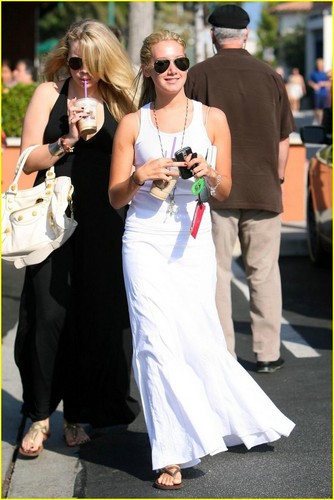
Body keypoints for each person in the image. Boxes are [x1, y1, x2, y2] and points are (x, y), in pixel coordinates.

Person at [108, 29, 295, 490]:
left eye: (181, 62)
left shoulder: (213, 119)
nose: (173, 70)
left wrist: (209, 172)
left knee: (198, 335)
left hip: (191, 241)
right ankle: (170, 451)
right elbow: (114, 198)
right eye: (163, 64)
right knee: (153, 340)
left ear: (189, 65)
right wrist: (139, 175)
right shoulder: (134, 123)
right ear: (148, 70)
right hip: (145, 239)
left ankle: (218, 420)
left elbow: (224, 190)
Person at [15, 18, 140, 458]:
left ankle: (76, 413)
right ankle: (40, 412)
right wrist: (67, 140)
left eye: (92, 62)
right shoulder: (49, 94)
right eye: (75, 62)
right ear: (65, 60)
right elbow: (27, 159)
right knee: (46, 315)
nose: (83, 71)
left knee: (94, 317)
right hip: (52, 222)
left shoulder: (123, 99)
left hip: (105, 221)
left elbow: (139, 158)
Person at [185, 4, 295, 372]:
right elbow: (284, 138)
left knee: (216, 271)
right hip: (264, 187)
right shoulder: (271, 76)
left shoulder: (197, 76)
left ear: (213, 35)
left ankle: (223, 354)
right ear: (246, 34)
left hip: (216, 188)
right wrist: (277, 178)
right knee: (264, 271)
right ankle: (267, 354)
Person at [308, 58, 331, 125]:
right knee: (316, 108)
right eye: (319, 65)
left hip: (324, 93)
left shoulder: (325, 74)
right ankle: (317, 120)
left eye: (321, 65)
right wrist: (314, 85)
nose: (320, 66)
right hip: (317, 93)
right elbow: (310, 82)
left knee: (324, 109)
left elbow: (330, 82)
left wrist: (323, 83)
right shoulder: (313, 73)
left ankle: (321, 122)